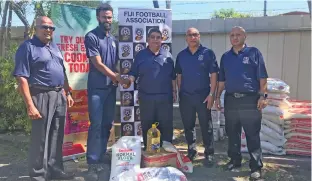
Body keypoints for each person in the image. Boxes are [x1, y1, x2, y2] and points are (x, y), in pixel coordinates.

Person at [12, 16, 75, 181]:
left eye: (51, 28)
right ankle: (38, 175)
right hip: (40, 95)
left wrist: (67, 93)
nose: (48, 30)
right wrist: (30, 105)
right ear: (37, 28)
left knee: (57, 134)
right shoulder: (28, 47)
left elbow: (62, 70)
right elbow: (22, 77)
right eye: (45, 27)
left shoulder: (54, 47)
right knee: (40, 137)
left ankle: (55, 169)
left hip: (59, 94)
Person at [215, 26, 268, 180]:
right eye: (232, 35)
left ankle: (255, 167)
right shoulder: (225, 57)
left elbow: (262, 77)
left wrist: (263, 96)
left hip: (249, 100)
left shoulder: (254, 53)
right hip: (231, 99)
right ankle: (235, 161)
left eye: (238, 35)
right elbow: (222, 81)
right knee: (232, 133)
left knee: (252, 135)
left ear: (245, 36)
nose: (235, 37)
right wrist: (218, 97)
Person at [84, 3, 123, 180]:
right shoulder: (91, 37)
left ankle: (101, 155)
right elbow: (97, 64)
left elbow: (116, 65)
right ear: (98, 17)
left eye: (109, 17)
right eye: (104, 17)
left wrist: (123, 75)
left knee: (107, 124)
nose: (107, 20)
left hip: (110, 89)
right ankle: (92, 162)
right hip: (97, 90)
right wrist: (117, 77)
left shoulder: (113, 40)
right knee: (96, 125)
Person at [123, 28, 177, 150]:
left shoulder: (168, 56)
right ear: (148, 39)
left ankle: (166, 151)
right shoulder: (140, 56)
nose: (155, 40)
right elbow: (133, 74)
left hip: (165, 98)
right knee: (147, 125)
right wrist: (127, 81)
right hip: (146, 97)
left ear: (162, 40)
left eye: (158, 37)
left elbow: (172, 77)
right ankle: (150, 151)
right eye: (152, 37)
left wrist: (174, 92)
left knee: (166, 125)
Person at [175, 27, 218, 165]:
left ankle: (209, 153)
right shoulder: (181, 55)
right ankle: (191, 151)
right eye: (190, 35)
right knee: (188, 126)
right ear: (186, 38)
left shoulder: (208, 53)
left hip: (203, 96)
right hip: (186, 97)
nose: (193, 37)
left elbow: (214, 75)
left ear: (199, 36)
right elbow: (179, 76)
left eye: (195, 35)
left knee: (206, 126)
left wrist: (212, 94)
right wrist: (180, 92)